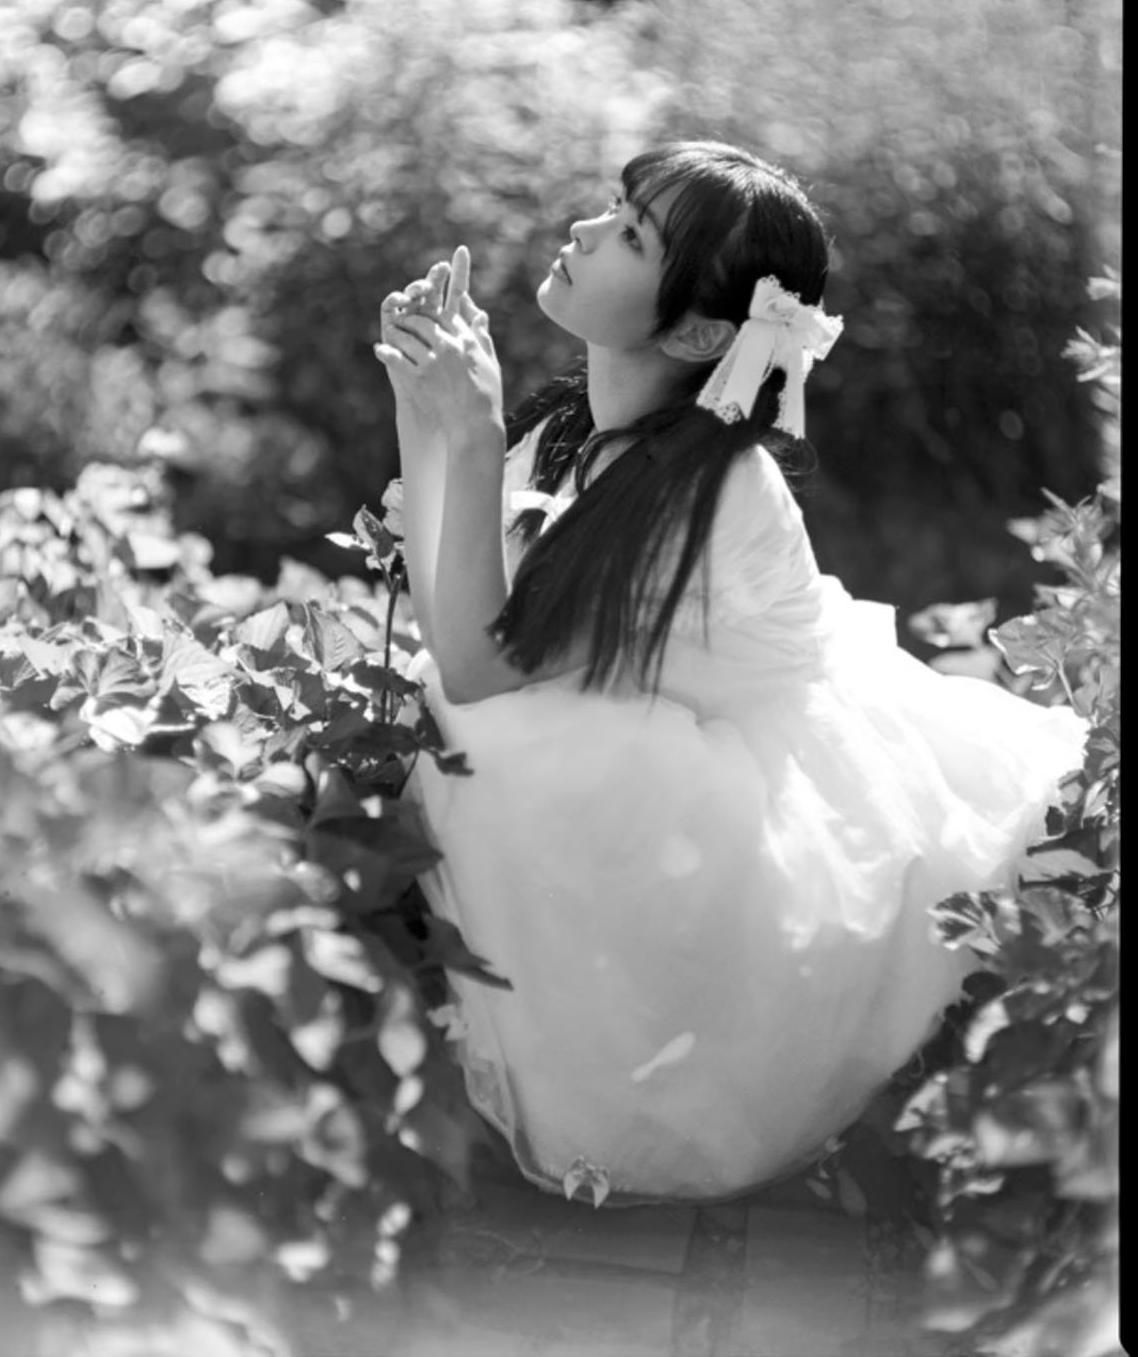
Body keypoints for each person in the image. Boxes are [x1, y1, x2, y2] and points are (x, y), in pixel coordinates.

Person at [372, 140, 1085, 1208]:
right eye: (613, 206)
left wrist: (466, 435)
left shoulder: (708, 488)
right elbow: (449, 605)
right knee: (495, 729)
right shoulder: (587, 427)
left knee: (506, 746)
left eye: (629, 234)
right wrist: (424, 408)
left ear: (703, 330)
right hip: (675, 712)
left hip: (765, 792)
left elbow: (472, 667)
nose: (585, 230)